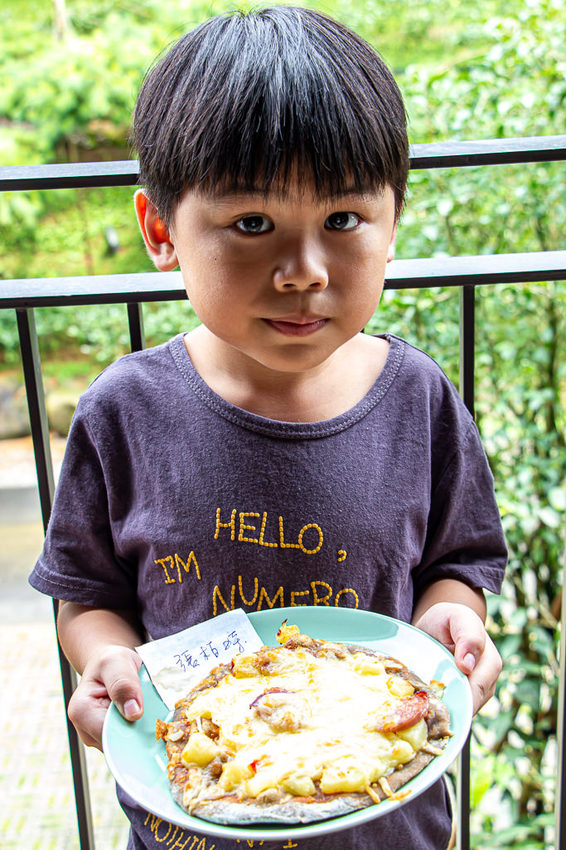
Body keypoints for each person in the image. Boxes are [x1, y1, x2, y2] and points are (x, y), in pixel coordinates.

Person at [30, 7, 507, 849]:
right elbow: (88, 594)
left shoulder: (419, 400)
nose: (304, 272)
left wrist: (452, 621)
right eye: (253, 225)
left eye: (343, 220)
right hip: (191, 815)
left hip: (389, 815)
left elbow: (455, 565)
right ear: (161, 230)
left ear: (393, 222)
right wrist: (103, 659)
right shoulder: (123, 413)